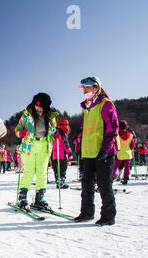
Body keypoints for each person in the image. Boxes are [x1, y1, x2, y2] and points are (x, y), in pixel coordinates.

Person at [73, 76, 119, 226]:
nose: (84, 90)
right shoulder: (87, 106)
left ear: (96, 88)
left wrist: (105, 150)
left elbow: (113, 129)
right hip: (88, 152)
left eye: (87, 87)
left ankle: (108, 216)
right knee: (87, 184)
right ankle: (86, 213)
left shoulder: (105, 104)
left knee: (104, 184)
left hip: (103, 152)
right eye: (83, 88)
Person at [15, 92, 58, 209]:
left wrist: (55, 133)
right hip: (29, 146)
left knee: (42, 172)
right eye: (37, 106)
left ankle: (40, 197)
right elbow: (17, 129)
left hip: (44, 145)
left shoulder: (51, 116)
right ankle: (22, 197)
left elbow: (53, 129)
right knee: (29, 171)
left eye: (42, 107)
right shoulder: (26, 115)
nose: (39, 109)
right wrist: (20, 133)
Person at [113, 120, 135, 185]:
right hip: (128, 153)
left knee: (115, 166)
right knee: (127, 167)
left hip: (119, 153)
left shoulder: (117, 135)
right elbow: (132, 145)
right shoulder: (130, 135)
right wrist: (130, 149)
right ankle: (126, 178)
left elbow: (115, 143)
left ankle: (112, 177)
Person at [51, 119, 72, 188]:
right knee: (62, 169)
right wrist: (69, 153)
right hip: (62, 155)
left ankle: (58, 180)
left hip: (54, 155)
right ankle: (61, 182)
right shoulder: (62, 133)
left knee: (56, 169)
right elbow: (65, 144)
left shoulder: (54, 132)